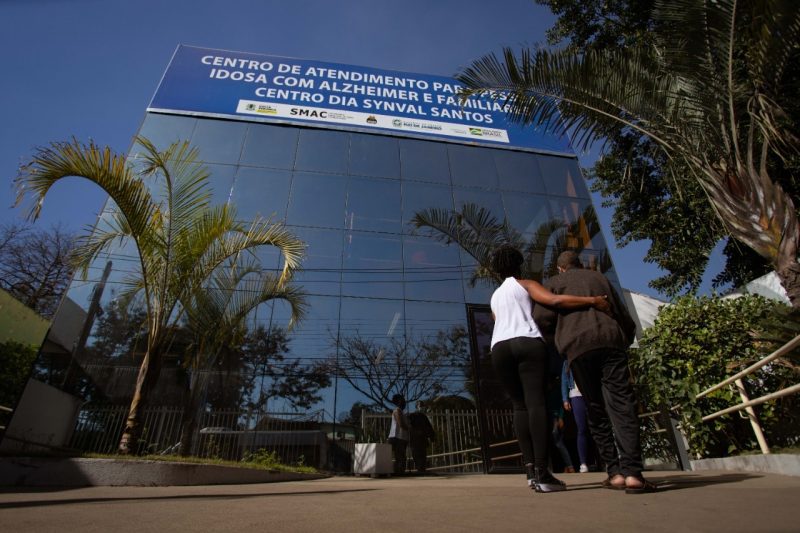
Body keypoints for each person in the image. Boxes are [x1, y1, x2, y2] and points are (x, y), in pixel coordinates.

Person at [488, 245, 610, 493]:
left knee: (519, 406)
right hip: (527, 343)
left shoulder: (495, 297)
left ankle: (530, 471)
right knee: (536, 404)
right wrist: (592, 300)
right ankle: (544, 473)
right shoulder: (525, 285)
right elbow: (554, 300)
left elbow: (497, 320)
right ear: (518, 265)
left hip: (499, 348)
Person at [534, 250, 657, 494]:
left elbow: (540, 318)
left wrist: (559, 340)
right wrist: (624, 338)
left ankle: (615, 473)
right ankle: (633, 473)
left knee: (594, 408)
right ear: (579, 264)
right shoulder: (599, 278)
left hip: (577, 348)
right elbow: (623, 315)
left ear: (560, 268)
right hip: (609, 342)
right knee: (622, 405)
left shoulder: (554, 284)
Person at [561, 360, 590, 473]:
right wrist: (565, 399)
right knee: (581, 429)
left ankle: (607, 460)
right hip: (576, 395)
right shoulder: (567, 362)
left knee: (597, 427)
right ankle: (583, 463)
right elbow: (564, 380)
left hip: (590, 393)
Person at [408, 401, 436, 474]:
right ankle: (420, 470)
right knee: (416, 456)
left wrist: (432, 436)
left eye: (423, 406)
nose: (422, 407)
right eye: (420, 406)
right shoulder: (412, 416)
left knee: (423, 456)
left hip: (423, 440)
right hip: (414, 440)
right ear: (416, 407)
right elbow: (409, 426)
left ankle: (422, 470)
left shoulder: (424, 417)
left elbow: (429, 427)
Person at [387, 393, 409, 474]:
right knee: (400, 457)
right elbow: (401, 424)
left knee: (400, 457)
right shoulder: (397, 411)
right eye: (403, 400)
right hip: (397, 437)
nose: (404, 402)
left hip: (401, 437)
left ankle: (398, 472)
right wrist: (410, 428)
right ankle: (398, 473)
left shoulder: (401, 412)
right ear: (399, 401)